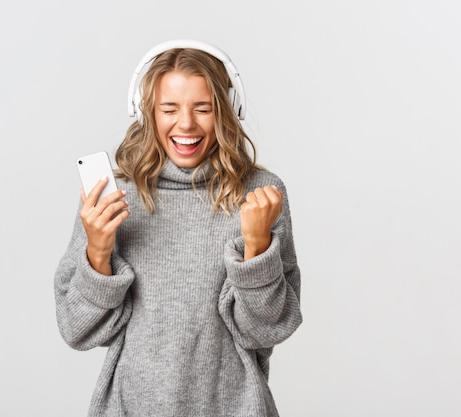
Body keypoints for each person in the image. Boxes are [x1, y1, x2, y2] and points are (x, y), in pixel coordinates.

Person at [54, 39, 302, 417]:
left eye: (203, 108)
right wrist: (97, 252)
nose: (186, 123)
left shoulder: (260, 194)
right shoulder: (114, 196)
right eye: (169, 108)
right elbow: (77, 330)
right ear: (146, 112)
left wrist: (256, 246)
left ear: (228, 111)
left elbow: (268, 330)